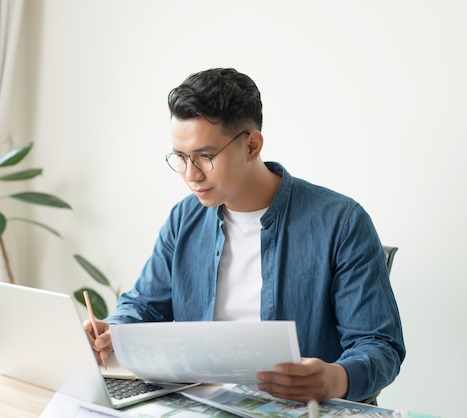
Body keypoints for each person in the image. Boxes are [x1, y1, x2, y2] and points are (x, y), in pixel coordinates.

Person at [84, 68, 405, 404]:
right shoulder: (185, 218)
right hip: (200, 404)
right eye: (180, 158)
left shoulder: (342, 222)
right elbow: (143, 307)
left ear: (252, 145)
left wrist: (334, 378)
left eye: (205, 157)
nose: (190, 175)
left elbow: (381, 345)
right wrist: (112, 330)